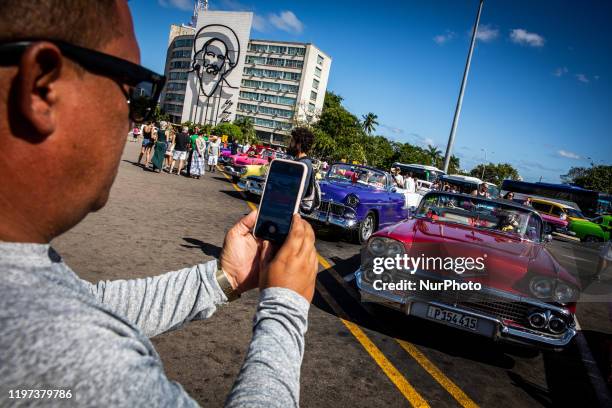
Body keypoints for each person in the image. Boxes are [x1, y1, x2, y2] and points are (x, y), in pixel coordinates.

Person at [0, 1, 319, 407]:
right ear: (42, 86)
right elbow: (72, 327)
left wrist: (224, 278)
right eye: (135, 90)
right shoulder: (77, 364)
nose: (134, 119)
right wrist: (285, 307)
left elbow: (88, 301)